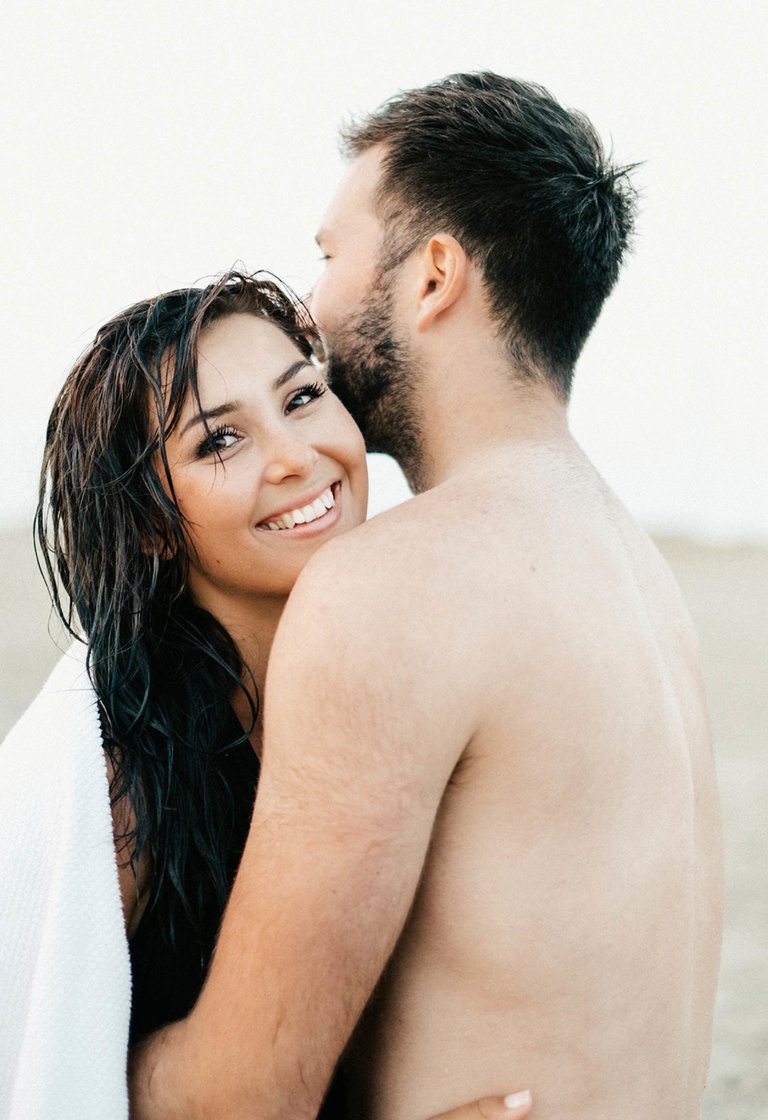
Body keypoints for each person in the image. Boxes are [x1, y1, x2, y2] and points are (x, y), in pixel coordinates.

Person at [130, 72, 724, 1120]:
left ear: (433, 274)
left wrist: (58, 1031)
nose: (309, 313)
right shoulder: (634, 574)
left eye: (329, 254)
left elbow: (237, 1098)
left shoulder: (395, 588)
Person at [0, 270, 533, 1120]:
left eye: (303, 398)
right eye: (220, 442)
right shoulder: (115, 757)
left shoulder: (406, 674)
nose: (294, 456)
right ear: (147, 525)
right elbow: (54, 1067)